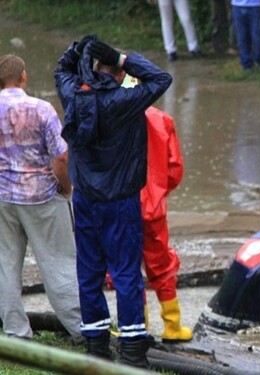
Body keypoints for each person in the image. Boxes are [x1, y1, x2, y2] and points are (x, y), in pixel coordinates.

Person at [54, 36, 172, 368]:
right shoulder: (125, 101)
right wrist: (122, 56)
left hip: (87, 201)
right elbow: (161, 78)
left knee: (89, 273)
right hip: (121, 201)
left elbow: (62, 69)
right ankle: (133, 351)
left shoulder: (72, 98)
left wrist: (79, 51)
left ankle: (96, 348)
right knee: (126, 275)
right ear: (115, 72)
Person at [0, 54, 82, 343]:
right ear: (23, 77)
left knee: (6, 263)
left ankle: (15, 331)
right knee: (59, 261)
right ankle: (81, 327)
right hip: (41, 196)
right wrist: (66, 187)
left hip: (2, 198)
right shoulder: (42, 109)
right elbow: (60, 156)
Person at [141, 105, 191, 343]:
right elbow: (175, 169)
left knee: (125, 265)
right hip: (154, 208)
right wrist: (159, 192)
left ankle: (137, 326)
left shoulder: (111, 112)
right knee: (162, 264)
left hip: (121, 204)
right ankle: (172, 326)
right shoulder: (161, 119)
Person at [231, 0, 260, 70]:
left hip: (255, 6)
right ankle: (246, 64)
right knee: (242, 37)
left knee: (257, 36)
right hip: (237, 6)